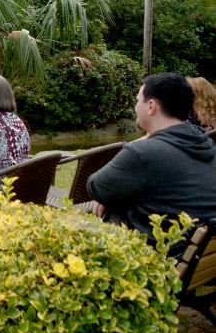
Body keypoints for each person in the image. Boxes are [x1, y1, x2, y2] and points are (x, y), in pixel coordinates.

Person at [87, 73, 216, 251]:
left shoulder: (142, 154)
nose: (135, 106)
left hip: (156, 263)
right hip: (195, 264)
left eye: (137, 100)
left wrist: (114, 199)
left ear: (151, 106)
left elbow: (95, 186)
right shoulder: (206, 144)